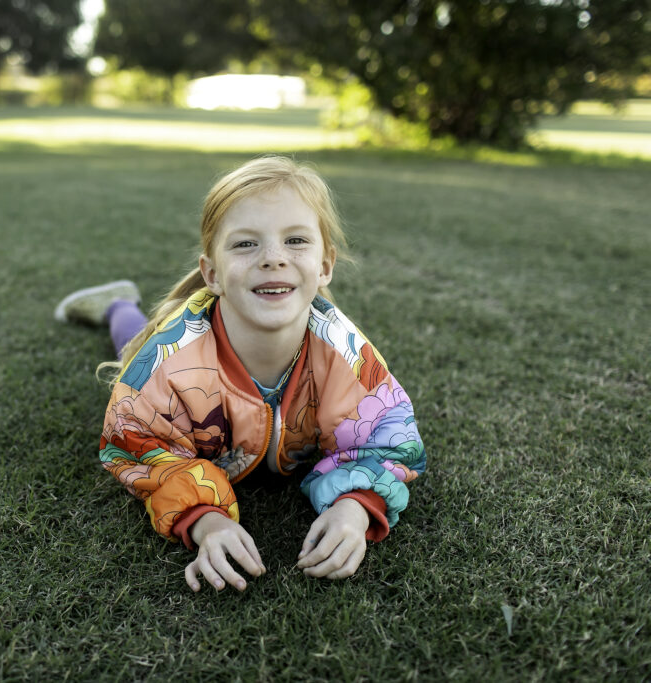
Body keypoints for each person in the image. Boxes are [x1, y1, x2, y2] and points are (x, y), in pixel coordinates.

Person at [54, 156, 426, 592]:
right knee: (131, 349)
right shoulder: (164, 367)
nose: (273, 258)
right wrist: (205, 521)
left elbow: (385, 440)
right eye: (246, 244)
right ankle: (118, 306)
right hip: (182, 359)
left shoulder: (348, 358)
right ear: (212, 273)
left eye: (296, 240)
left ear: (325, 266)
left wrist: (356, 506)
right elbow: (138, 446)